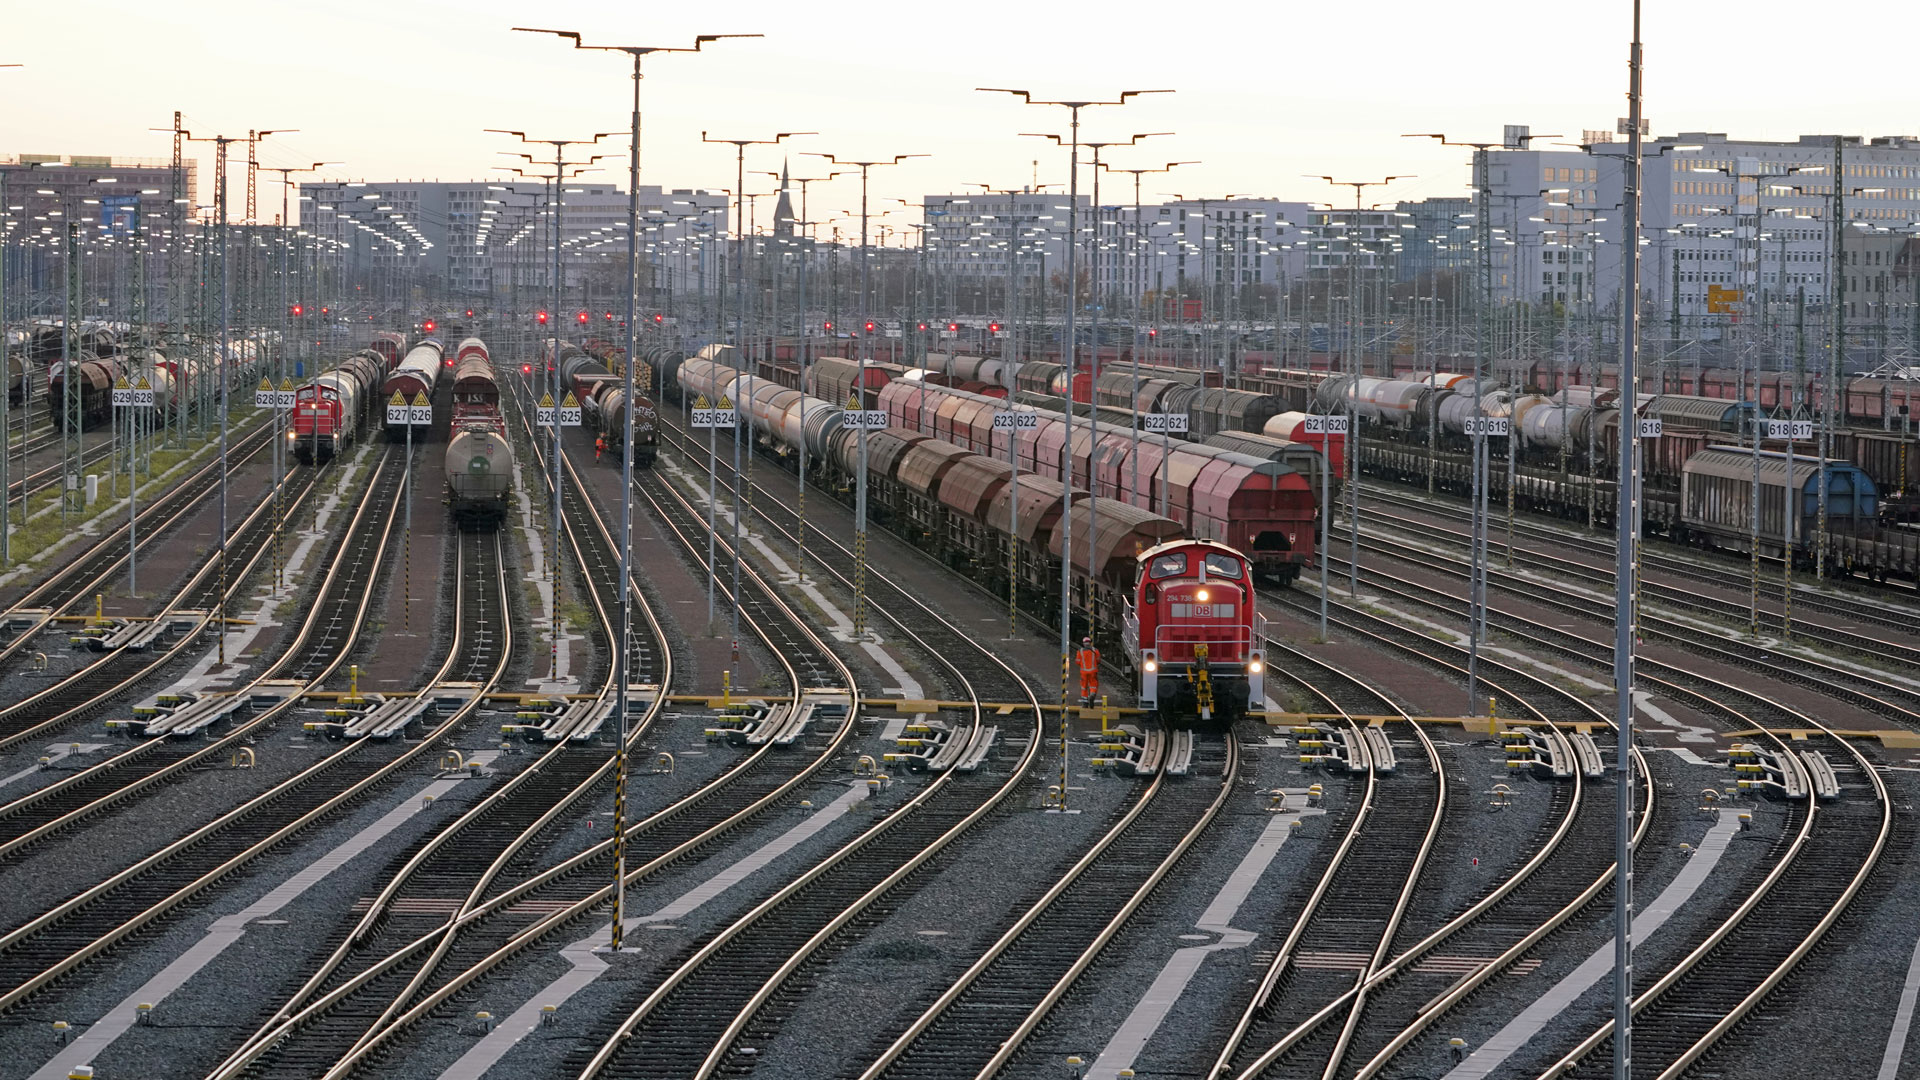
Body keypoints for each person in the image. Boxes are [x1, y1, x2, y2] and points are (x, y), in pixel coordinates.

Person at [1076, 636, 1100, 706]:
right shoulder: (1095, 650)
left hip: (1084, 672)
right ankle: (1092, 694)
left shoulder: (1080, 651)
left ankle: (1085, 703)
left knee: (1084, 687)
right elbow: (1098, 660)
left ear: (1083, 643)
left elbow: (1077, 661)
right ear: (1090, 643)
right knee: (1093, 684)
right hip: (1093, 672)